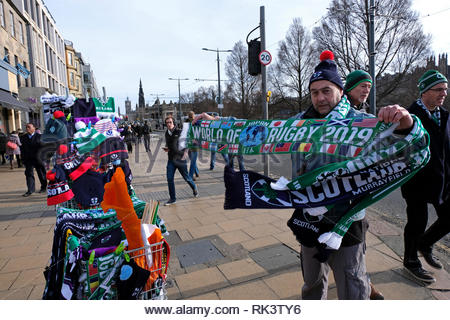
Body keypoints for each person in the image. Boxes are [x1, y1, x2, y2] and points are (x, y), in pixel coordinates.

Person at [289, 51, 416, 300]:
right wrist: (211, 123)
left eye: (326, 91)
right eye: (314, 93)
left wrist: (406, 121)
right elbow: (254, 130)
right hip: (309, 218)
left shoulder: (363, 123)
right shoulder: (298, 124)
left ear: (339, 90)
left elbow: (407, 147)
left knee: (353, 286)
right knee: (312, 284)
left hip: (349, 220)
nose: (320, 98)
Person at [400, 70, 449, 283]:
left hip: (443, 180)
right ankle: (410, 260)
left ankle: (426, 243)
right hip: (416, 181)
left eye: (445, 89)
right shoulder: (408, 117)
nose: (443, 94)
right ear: (424, 92)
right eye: (439, 89)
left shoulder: (445, 116)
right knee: (417, 222)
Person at [344, 70, 384, 300]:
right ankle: (364, 284)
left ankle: (365, 283)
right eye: (361, 85)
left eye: (369, 86)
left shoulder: (364, 116)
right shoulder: (343, 115)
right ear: (349, 88)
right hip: (340, 195)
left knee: (358, 247)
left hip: (358, 195)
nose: (366, 89)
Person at [163, 115, 198, 205]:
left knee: (186, 178)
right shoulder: (166, 133)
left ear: (173, 123)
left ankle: (194, 187)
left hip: (180, 159)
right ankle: (173, 198)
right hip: (171, 159)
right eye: (167, 123)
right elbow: (170, 145)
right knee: (169, 179)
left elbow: (188, 142)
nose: (169, 124)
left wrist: (186, 152)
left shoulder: (180, 131)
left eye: (170, 122)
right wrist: (167, 148)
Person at [20, 123, 47, 197]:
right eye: (26, 127)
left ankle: (43, 187)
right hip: (28, 159)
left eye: (29, 127)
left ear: (34, 128)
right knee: (29, 174)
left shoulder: (40, 137)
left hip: (39, 159)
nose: (27, 128)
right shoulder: (23, 137)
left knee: (41, 173)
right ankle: (30, 190)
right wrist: (23, 159)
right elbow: (22, 149)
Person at [186, 111, 200, 180]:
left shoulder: (185, 123)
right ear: (194, 115)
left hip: (188, 143)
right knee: (193, 161)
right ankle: (191, 175)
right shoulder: (197, 122)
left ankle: (196, 172)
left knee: (192, 159)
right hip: (195, 144)